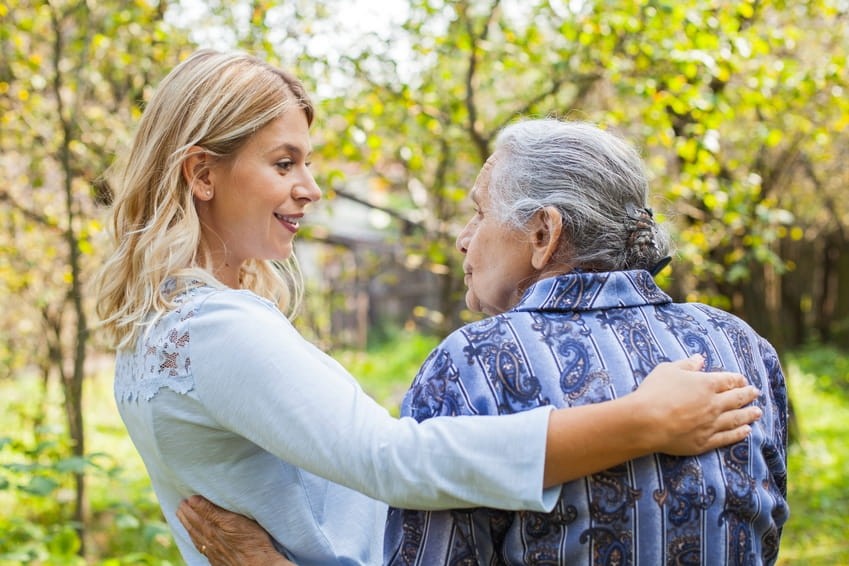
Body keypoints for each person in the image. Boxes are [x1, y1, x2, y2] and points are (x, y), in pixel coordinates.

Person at [93, 49, 762, 566]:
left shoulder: (175, 322)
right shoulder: (214, 331)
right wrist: (641, 420)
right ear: (202, 173)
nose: (311, 188)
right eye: (283, 163)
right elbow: (392, 461)